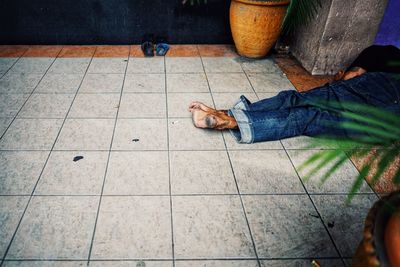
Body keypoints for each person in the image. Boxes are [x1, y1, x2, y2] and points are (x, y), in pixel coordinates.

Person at [189, 45, 400, 143]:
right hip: (377, 86)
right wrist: (358, 68)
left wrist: (357, 69)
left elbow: (378, 54)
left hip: (383, 99)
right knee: (296, 103)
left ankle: (228, 120)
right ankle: (226, 115)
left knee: (303, 109)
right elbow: (379, 53)